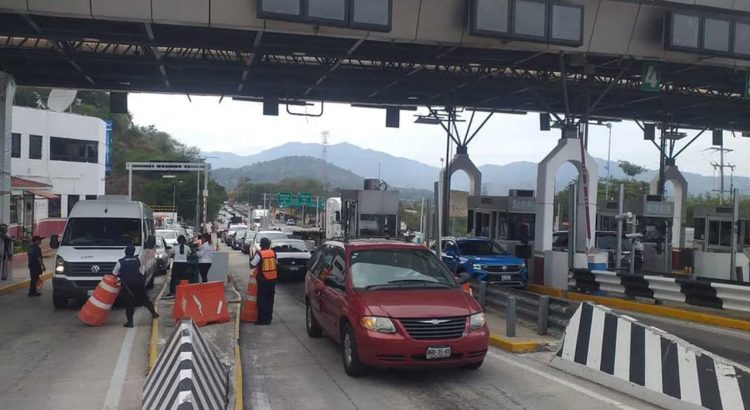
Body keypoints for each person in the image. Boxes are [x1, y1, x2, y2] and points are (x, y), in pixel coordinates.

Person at [113, 245, 159, 327]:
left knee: (129, 304)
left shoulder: (120, 262)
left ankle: (130, 322)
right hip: (138, 284)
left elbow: (114, 273)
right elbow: (140, 270)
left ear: (125, 252)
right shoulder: (137, 260)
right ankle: (154, 313)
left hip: (127, 286)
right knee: (144, 299)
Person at [249, 237, 277, 325]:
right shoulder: (273, 253)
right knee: (270, 300)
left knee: (261, 300)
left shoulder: (260, 254)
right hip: (272, 280)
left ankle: (262, 320)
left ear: (261, 245)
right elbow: (276, 264)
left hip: (263, 280)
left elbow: (252, 265)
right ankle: (269, 319)